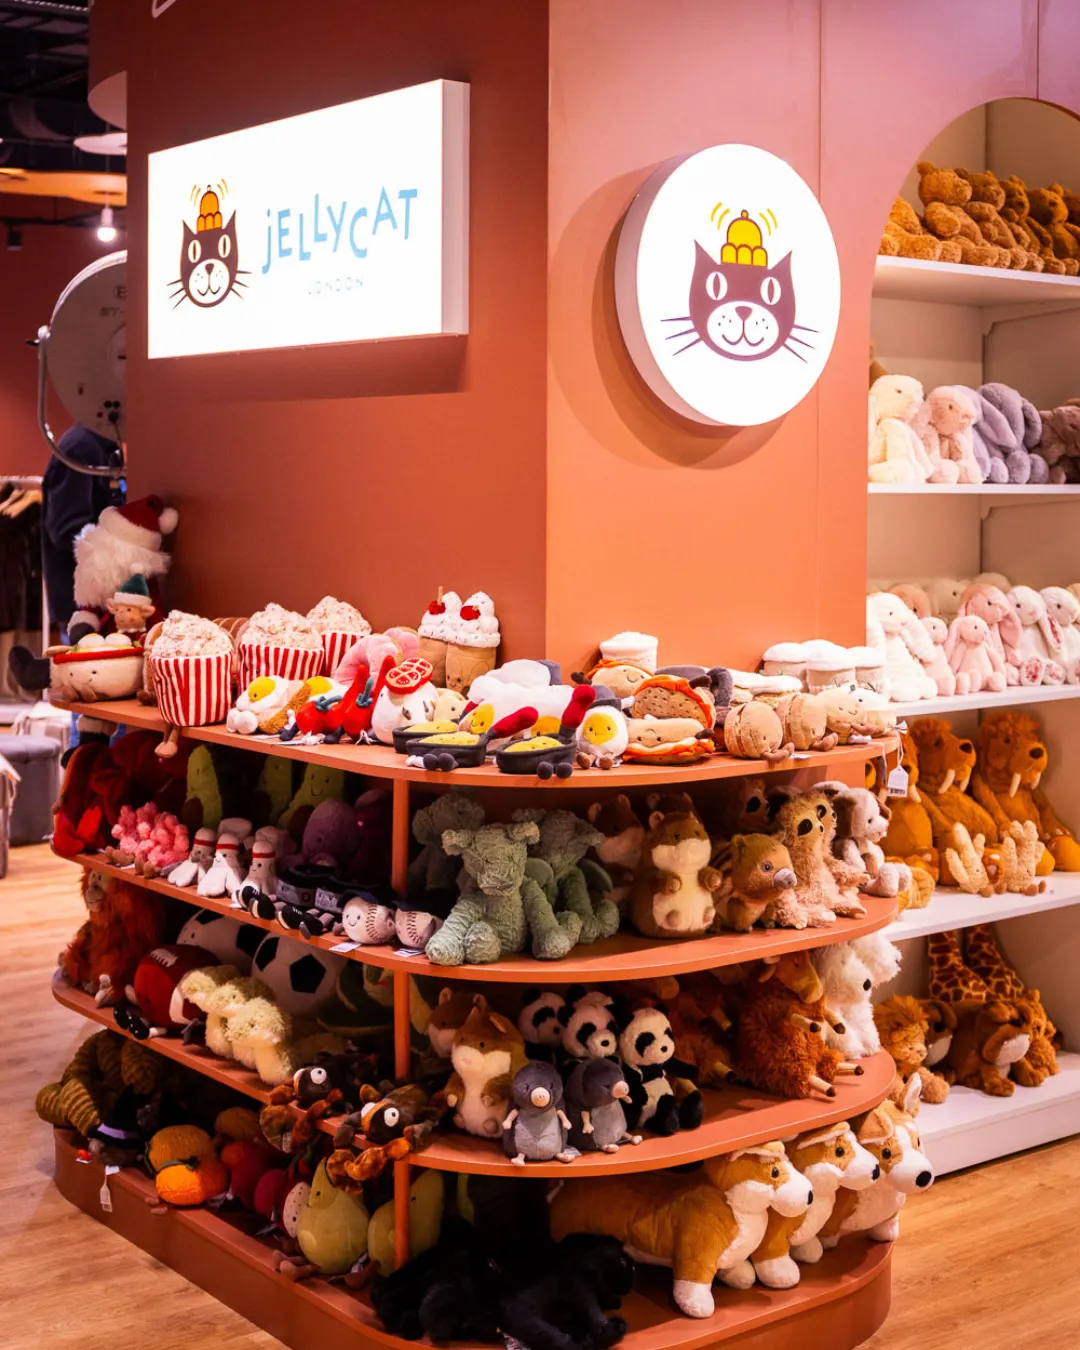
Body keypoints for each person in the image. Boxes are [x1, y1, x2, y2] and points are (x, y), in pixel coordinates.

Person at [8, 424, 124, 695]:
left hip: (102, 597)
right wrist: (119, 546)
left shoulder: (103, 447)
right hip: (83, 600)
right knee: (85, 685)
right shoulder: (80, 449)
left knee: (100, 686)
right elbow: (66, 528)